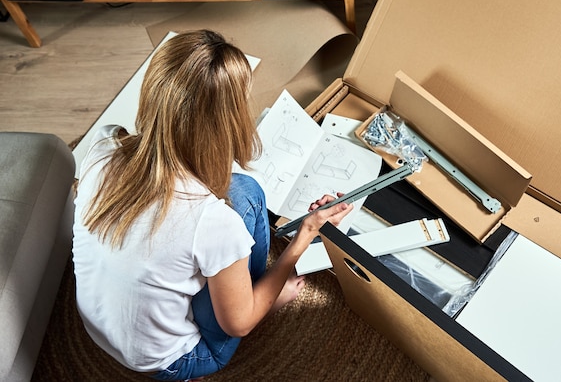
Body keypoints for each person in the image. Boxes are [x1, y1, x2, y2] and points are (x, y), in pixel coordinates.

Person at [72, 29, 353, 381]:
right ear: (227, 123)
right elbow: (239, 325)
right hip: (172, 362)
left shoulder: (103, 147)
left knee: (243, 191)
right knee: (247, 199)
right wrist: (305, 234)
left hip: (96, 327)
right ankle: (260, 293)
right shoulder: (213, 222)